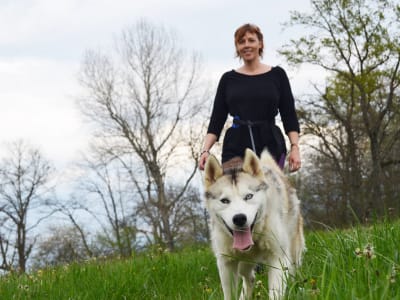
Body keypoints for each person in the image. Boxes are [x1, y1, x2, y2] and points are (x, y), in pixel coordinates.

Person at [199, 23, 301, 172]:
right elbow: (216, 119)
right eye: (241, 42)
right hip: (236, 145)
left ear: (260, 44)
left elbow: (289, 116)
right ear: (237, 48)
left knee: (268, 192)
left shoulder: (277, 75)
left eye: (251, 40)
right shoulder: (228, 79)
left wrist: (295, 148)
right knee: (238, 193)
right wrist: (205, 150)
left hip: (270, 143)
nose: (246, 45)